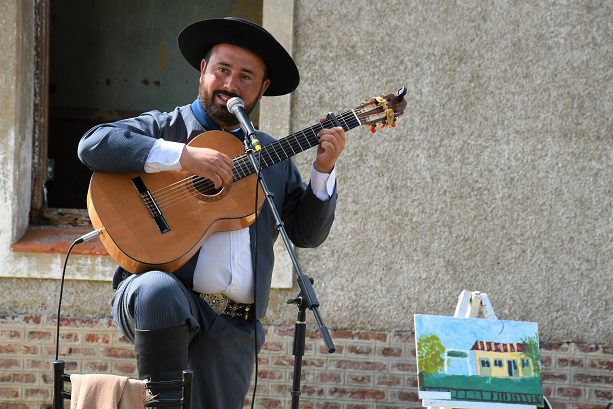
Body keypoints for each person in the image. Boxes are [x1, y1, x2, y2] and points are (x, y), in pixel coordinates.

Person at [77, 17, 344, 409]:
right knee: (158, 290)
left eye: (246, 77)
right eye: (223, 70)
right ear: (204, 71)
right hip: (163, 300)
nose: (230, 85)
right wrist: (181, 157)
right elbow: (93, 144)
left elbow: (307, 234)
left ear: (263, 89)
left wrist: (324, 169)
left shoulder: (271, 157)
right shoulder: (167, 128)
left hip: (233, 324)